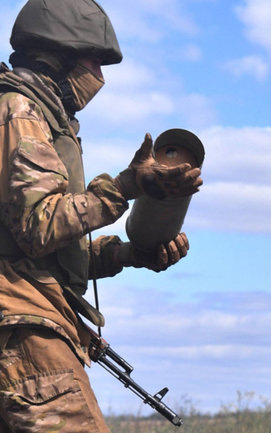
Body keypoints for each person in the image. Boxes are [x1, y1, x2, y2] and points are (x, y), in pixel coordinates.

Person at [0, 0, 202, 431]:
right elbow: (40, 225)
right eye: (94, 60)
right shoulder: (20, 112)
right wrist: (126, 187)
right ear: (59, 53)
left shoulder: (41, 118)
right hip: (23, 328)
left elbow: (45, 254)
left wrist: (131, 254)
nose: (100, 77)